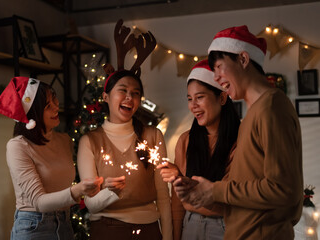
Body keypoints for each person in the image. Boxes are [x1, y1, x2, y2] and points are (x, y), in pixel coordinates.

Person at [174, 25, 303, 240]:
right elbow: (247, 192)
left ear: (243, 59)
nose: (215, 78)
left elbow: (283, 189)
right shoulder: (255, 113)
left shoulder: (271, 107)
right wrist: (201, 190)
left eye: (218, 67)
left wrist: (214, 190)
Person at [0, 76, 103, 240]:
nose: (56, 107)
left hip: (65, 223)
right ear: (33, 113)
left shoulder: (64, 140)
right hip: (34, 227)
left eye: (54, 100)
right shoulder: (18, 146)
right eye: (48, 106)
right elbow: (39, 202)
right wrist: (78, 190)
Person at [77, 70, 173, 240]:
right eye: (123, 90)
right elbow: (91, 205)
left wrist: (167, 237)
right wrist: (110, 192)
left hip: (148, 230)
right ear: (106, 97)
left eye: (135, 93)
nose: (130, 97)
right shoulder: (90, 141)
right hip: (107, 230)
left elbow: (163, 196)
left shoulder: (153, 136)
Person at [157, 59, 240, 240]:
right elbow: (177, 202)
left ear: (222, 97)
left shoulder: (241, 141)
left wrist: (190, 189)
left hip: (226, 226)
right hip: (190, 224)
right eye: (189, 99)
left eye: (200, 97)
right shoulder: (186, 140)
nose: (193, 105)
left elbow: (235, 200)